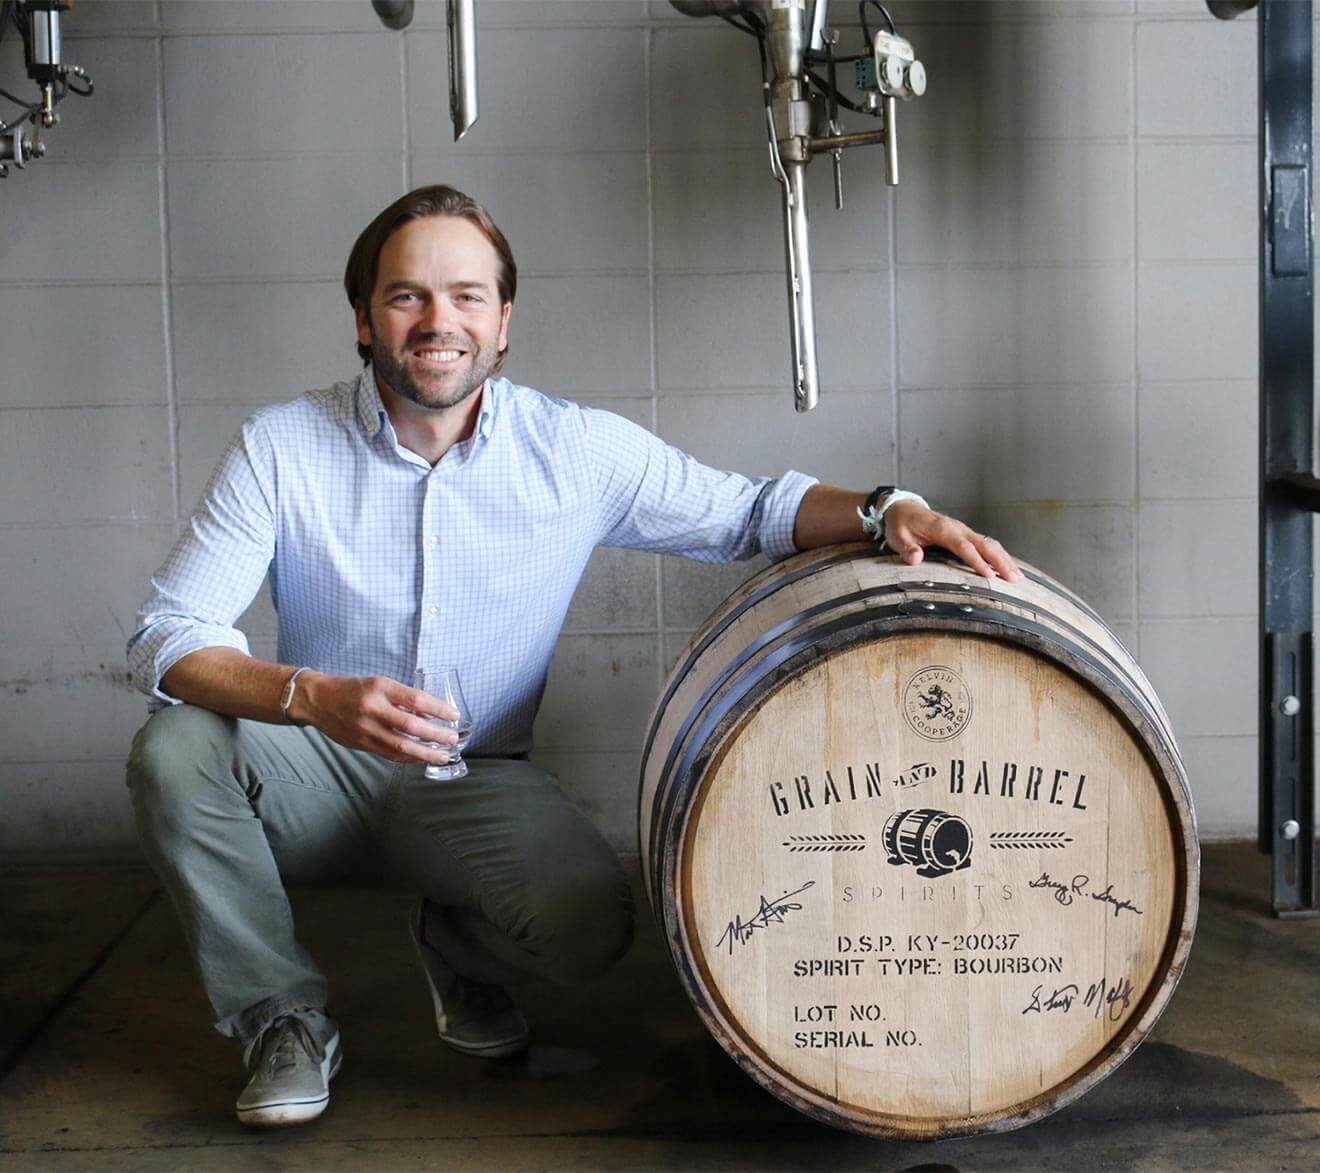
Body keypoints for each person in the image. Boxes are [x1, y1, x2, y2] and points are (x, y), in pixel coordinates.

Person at [124, 184, 1023, 1129]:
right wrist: (312, 697)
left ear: (503, 322)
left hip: (475, 775)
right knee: (175, 750)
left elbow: (748, 511)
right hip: (313, 766)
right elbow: (167, 632)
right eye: (407, 295)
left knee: (589, 927)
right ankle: (281, 1017)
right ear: (363, 318)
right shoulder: (281, 445)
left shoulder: (572, 449)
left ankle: (453, 940)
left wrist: (888, 508)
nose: (438, 321)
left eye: (467, 296)